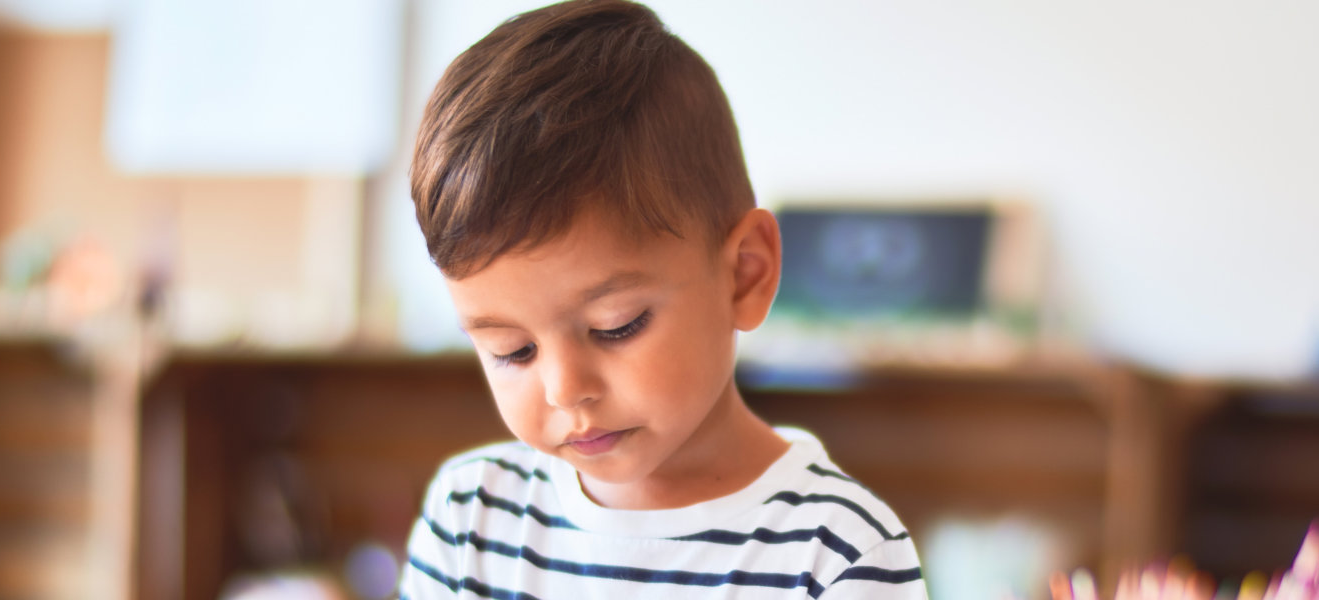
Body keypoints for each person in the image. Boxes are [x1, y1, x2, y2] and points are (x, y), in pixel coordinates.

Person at [397, 1, 927, 598]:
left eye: (616, 326)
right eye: (512, 351)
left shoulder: (837, 553)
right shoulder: (471, 518)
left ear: (744, 276)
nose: (565, 390)